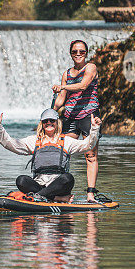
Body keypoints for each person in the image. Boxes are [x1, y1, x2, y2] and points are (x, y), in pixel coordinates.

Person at [0, 108, 102, 203]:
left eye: (52, 120)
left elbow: (88, 145)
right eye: (46, 121)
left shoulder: (67, 141)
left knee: (68, 178)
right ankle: (56, 198)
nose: (49, 123)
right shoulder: (34, 141)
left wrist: (94, 128)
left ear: (57, 122)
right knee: (21, 180)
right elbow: (10, 144)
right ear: (42, 124)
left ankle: (37, 197)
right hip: (39, 184)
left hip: (59, 185)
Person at [51, 39, 101, 202]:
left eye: (81, 51)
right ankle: (62, 193)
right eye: (75, 52)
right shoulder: (67, 73)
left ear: (86, 53)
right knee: (62, 153)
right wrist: (51, 113)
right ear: (71, 54)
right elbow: (61, 99)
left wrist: (63, 86)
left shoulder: (91, 68)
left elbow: (82, 86)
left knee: (90, 156)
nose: (78, 54)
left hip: (89, 116)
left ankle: (90, 194)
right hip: (70, 117)